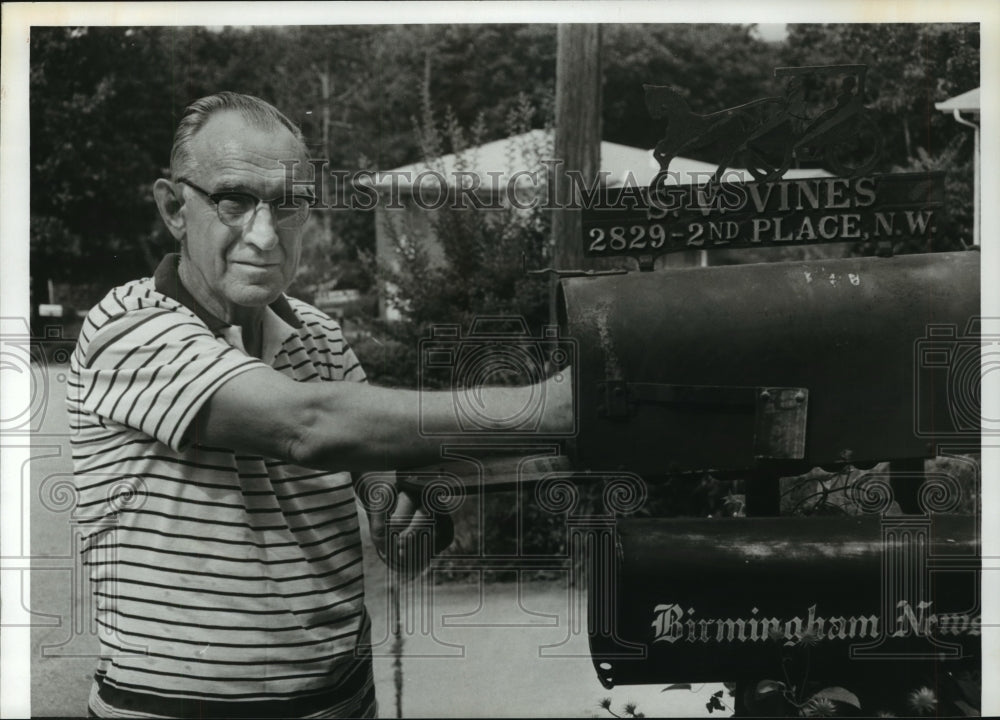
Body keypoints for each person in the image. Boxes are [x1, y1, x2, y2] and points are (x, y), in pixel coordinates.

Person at [67, 91, 572, 718]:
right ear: (174, 207)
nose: (263, 233)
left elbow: (400, 540)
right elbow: (306, 426)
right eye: (233, 200)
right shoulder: (128, 326)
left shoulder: (318, 335)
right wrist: (551, 408)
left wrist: (424, 486)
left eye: (288, 204)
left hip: (341, 701)